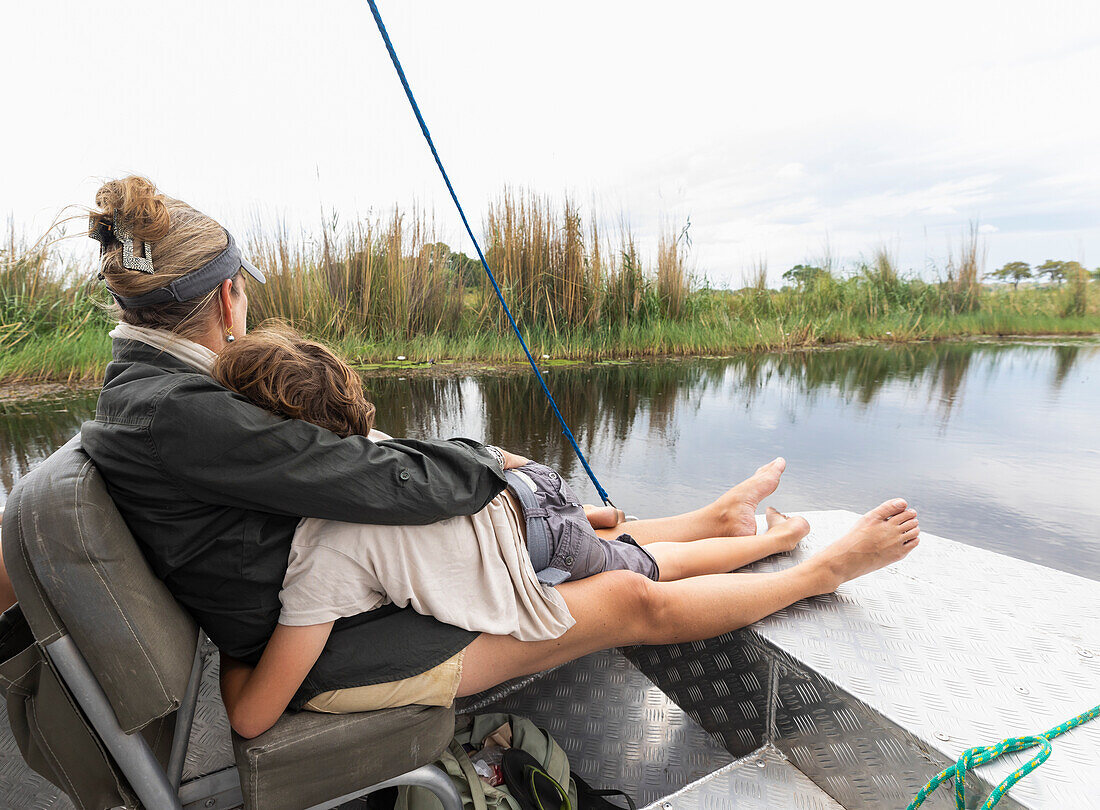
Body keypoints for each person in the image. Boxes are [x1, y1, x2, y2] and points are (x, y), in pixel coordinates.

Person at [15, 176, 919, 741]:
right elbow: (378, 479)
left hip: (337, 602)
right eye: (244, 292)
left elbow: (343, 479)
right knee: (618, 593)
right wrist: (494, 462)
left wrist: (502, 487)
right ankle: (819, 571)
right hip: (324, 643)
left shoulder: (153, 391)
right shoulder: (181, 412)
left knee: (554, 535)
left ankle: (715, 527)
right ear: (226, 299)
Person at [207, 327, 821, 715]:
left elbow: (253, 717)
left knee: (652, 568)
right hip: (526, 495)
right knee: (603, 540)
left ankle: (778, 543)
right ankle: (723, 517)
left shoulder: (323, 550)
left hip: (530, 541)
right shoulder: (376, 450)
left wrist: (236, 655)